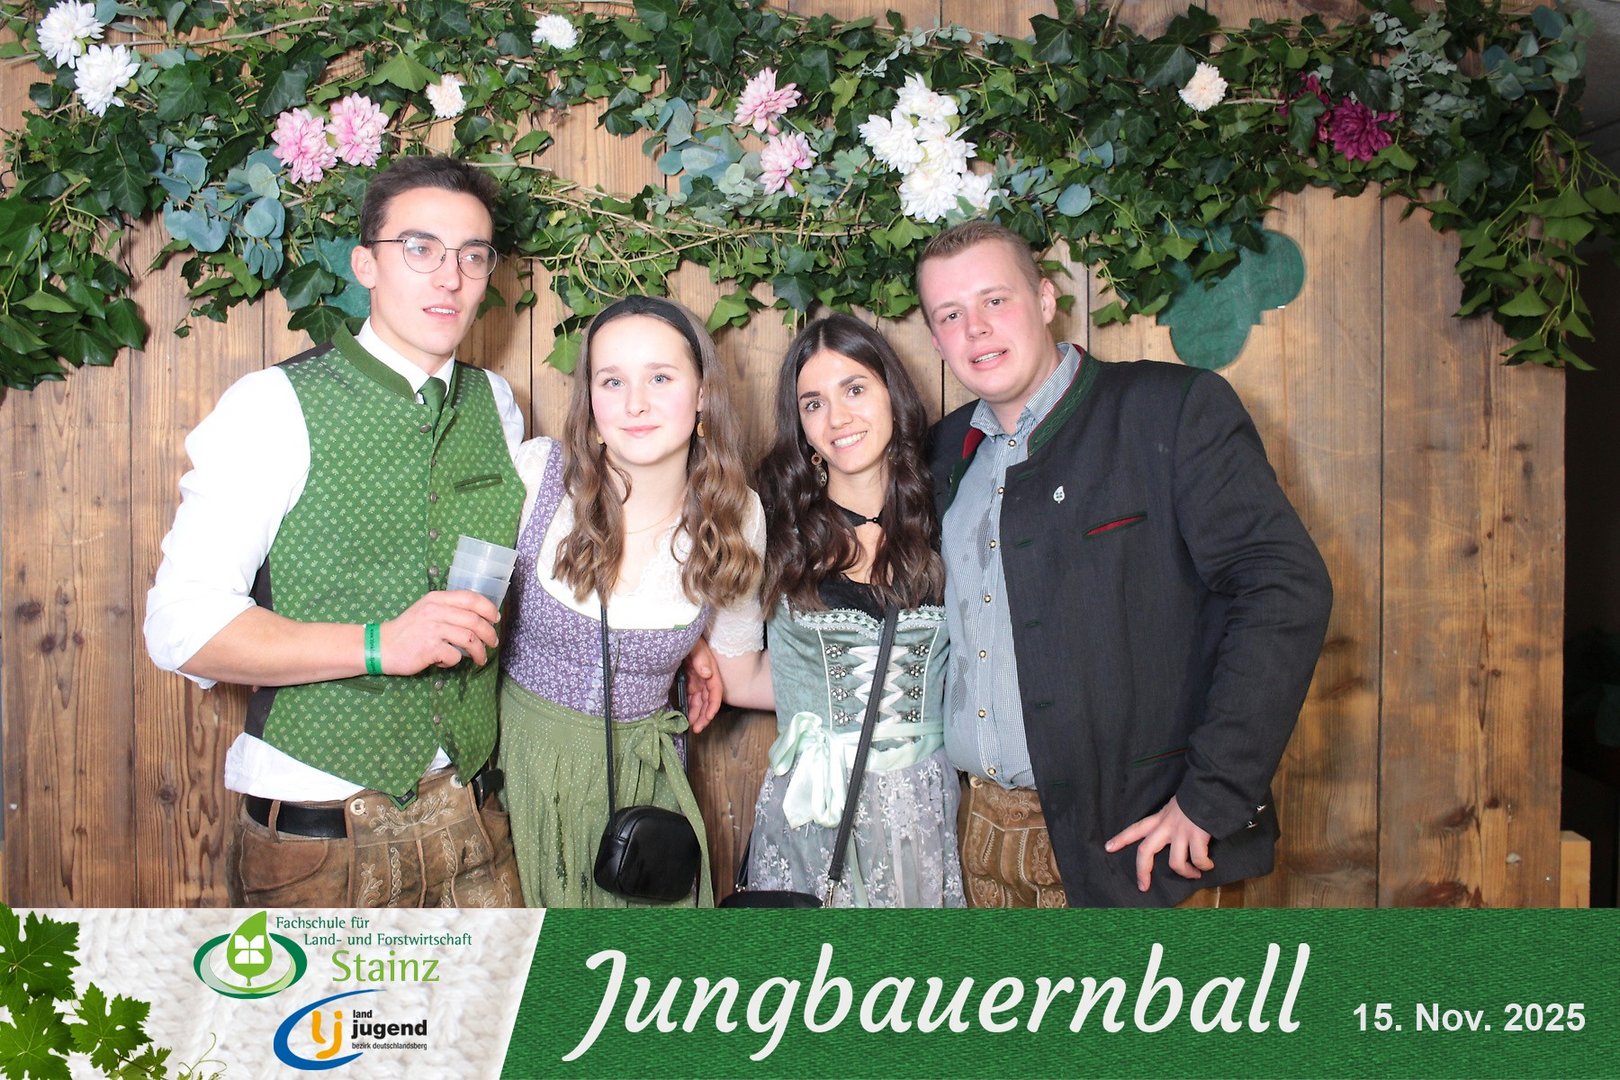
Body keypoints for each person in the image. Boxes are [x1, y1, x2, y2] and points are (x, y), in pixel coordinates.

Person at [145, 155, 527, 907]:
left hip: (477, 823)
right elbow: (180, 630)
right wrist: (381, 644)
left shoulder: (498, 403)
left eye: (471, 255)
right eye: (419, 248)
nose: (449, 277)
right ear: (366, 265)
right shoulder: (273, 405)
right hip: (324, 844)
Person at [919, 220, 1333, 908]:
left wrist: (1210, 798)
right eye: (951, 314)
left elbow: (1285, 590)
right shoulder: (942, 452)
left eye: (995, 300)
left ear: (1045, 299)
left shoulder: (1169, 410)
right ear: (936, 340)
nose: (976, 329)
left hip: (1143, 851)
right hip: (980, 838)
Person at [498, 295, 771, 908]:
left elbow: (740, 672)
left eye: (661, 378)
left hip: (642, 801)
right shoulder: (538, 475)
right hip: (521, 776)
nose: (635, 403)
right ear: (590, 400)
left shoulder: (737, 514)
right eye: (613, 380)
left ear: (702, 394)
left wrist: (874, 689)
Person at [739, 314, 965, 907]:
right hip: (816, 804)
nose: (837, 418)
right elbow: (741, 675)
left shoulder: (950, 515)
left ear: (892, 393)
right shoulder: (774, 528)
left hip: (921, 803)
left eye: (855, 389)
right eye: (813, 403)